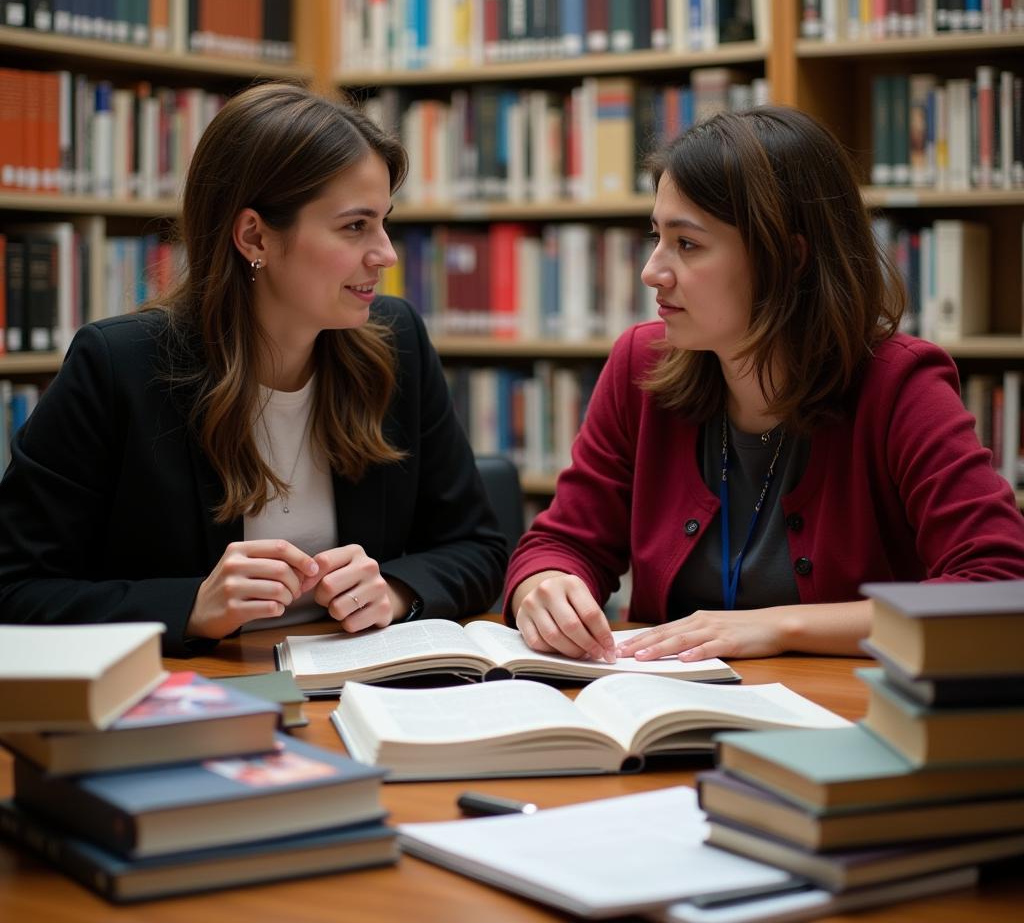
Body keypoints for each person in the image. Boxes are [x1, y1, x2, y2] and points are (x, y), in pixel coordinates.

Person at [505, 106, 1024, 665]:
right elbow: (560, 543)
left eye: (688, 244)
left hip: (843, 722)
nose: (652, 271)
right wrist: (546, 586)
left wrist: (781, 627)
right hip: (669, 710)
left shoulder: (899, 385)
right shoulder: (641, 366)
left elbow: (999, 586)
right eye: (656, 236)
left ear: (789, 257)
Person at [0, 82, 506, 655]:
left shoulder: (397, 343)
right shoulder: (118, 367)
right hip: (198, 699)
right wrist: (191, 605)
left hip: (360, 692)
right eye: (354, 226)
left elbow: (479, 546)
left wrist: (394, 589)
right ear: (254, 235)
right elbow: (16, 589)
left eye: (384, 222)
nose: (386, 253)